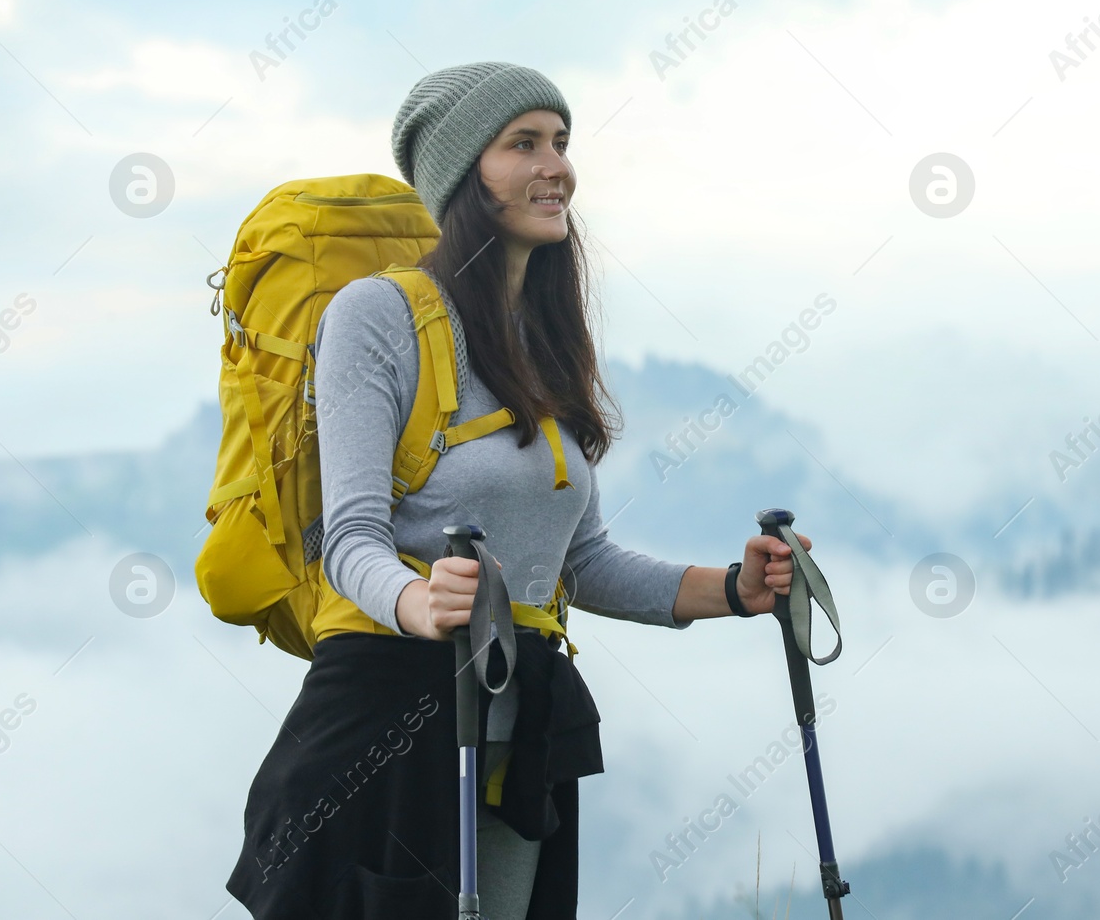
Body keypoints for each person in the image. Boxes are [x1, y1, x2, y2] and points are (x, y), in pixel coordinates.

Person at [225, 61, 809, 920]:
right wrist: (421, 601)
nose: (556, 165)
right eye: (523, 143)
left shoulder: (543, 340)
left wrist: (734, 588)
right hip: (384, 721)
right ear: (466, 173)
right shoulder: (375, 313)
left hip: (522, 733)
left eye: (561, 142)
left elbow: (582, 561)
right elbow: (348, 536)